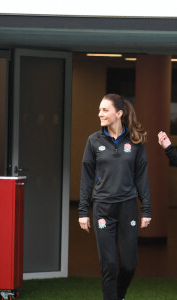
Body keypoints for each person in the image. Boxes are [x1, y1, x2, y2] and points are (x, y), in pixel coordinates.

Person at [79, 94, 152, 300]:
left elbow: (141, 177)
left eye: (104, 110)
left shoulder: (135, 141)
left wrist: (146, 208)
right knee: (109, 265)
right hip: (102, 209)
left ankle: (117, 296)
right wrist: (83, 211)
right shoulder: (93, 141)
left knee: (129, 265)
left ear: (118, 113)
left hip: (127, 207)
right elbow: (86, 178)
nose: (99, 113)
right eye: (99, 109)